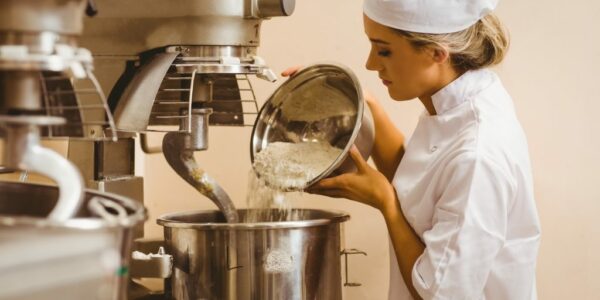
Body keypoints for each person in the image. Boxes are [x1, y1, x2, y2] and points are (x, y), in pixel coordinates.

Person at [284, 0, 541, 299]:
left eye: (384, 50)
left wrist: (385, 202)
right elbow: (423, 193)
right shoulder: (459, 100)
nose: (371, 63)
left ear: (437, 53)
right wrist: (359, 102)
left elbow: (439, 293)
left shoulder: (478, 156)